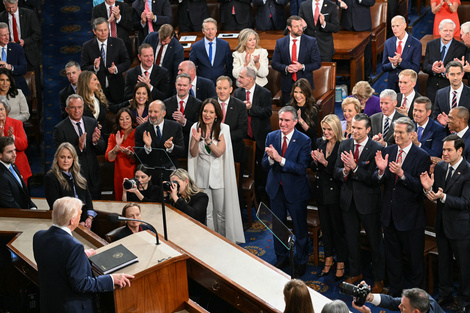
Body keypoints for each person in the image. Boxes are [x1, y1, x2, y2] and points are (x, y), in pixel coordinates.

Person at [33, 197, 134, 313]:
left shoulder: (39, 236)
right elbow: (81, 284)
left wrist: (80, 256)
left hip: (50, 305)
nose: (81, 217)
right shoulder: (74, 246)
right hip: (72, 308)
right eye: (80, 214)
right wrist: (111, 279)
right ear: (72, 220)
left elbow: (54, 260)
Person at [374, 117, 431, 296]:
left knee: (415, 261)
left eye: (400, 132)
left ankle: (416, 297)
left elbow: (421, 187)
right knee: (393, 257)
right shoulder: (388, 150)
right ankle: (395, 292)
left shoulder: (422, 156)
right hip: (389, 216)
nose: (396, 135)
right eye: (395, 131)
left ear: (411, 134)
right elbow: (378, 181)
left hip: (411, 219)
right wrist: (381, 171)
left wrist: (402, 174)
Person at [333, 113, 384, 292]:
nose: (354, 131)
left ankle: (379, 278)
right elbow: (336, 171)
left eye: (358, 128)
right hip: (348, 201)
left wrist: (354, 168)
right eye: (352, 127)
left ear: (368, 129)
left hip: (369, 203)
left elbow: (374, 179)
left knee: (375, 241)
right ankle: (355, 272)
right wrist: (345, 172)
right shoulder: (345, 144)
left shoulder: (377, 148)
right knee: (351, 239)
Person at [420, 135, 470, 313]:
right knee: (444, 263)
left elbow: (465, 202)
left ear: (459, 150)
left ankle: (464, 301)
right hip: (441, 224)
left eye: (449, 150)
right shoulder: (440, 167)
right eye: (443, 150)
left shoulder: (467, 171)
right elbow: (436, 193)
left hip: (461, 228)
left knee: (464, 266)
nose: (445, 153)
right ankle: (445, 294)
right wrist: (429, 190)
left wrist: (443, 197)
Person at [262, 106, 311, 277]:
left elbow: (301, 168)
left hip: (296, 192)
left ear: (295, 122)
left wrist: (279, 159)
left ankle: (301, 260)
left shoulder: (304, 140)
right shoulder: (271, 136)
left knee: (300, 228)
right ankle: (281, 256)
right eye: (281, 119)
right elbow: (263, 165)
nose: (282, 123)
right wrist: (269, 158)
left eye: (287, 120)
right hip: (276, 190)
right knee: (278, 227)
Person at [188, 99, 244, 243]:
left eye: (211, 112)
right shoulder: (195, 126)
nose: (207, 114)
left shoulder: (223, 128)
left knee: (220, 212)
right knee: (206, 212)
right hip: (201, 176)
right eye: (205, 111)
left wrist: (208, 142)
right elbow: (193, 154)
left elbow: (219, 152)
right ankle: (211, 240)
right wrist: (195, 140)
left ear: (216, 115)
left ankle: (223, 240)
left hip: (219, 178)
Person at [311, 114, 347, 280]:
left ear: (336, 128)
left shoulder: (343, 145)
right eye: (324, 129)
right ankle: (328, 259)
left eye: (329, 129)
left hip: (336, 194)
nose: (326, 132)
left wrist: (325, 163)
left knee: (337, 230)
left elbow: (339, 172)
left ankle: (341, 262)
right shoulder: (320, 142)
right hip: (321, 192)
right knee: (325, 229)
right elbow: (312, 167)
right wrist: (316, 162)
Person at [53, 94, 106, 200]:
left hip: (93, 177)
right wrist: (79, 148)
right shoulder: (60, 129)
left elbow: (102, 147)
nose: (77, 110)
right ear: (67, 109)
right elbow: (61, 156)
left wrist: (96, 142)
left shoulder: (92, 122)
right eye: (73, 107)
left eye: (79, 107)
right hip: (74, 177)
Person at [272, 15, 321, 105]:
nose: (300, 29)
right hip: (287, 87)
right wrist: (286, 68)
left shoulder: (311, 41)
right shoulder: (280, 43)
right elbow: (274, 63)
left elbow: (317, 63)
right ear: (289, 28)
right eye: (296, 26)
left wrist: (302, 66)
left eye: (301, 25)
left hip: (305, 86)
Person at [45, 142, 96, 228]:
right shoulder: (51, 177)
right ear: (57, 158)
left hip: (83, 219)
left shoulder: (79, 172)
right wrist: (75, 222)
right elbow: (56, 205)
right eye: (62, 157)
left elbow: (87, 195)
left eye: (69, 157)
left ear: (73, 159)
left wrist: (90, 217)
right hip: (64, 223)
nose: (66, 161)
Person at [81, 17, 131, 104]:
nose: (104, 33)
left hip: (117, 89)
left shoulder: (118, 43)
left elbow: (127, 62)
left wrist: (116, 69)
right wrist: (95, 68)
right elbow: (84, 68)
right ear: (94, 31)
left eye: (105, 30)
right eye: (100, 30)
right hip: (97, 91)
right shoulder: (87, 46)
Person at [423, 19, 466, 103]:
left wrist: (445, 70)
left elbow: (462, 72)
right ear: (439, 31)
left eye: (451, 30)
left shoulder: (461, 48)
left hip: (449, 88)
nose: (448, 33)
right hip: (431, 88)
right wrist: (433, 68)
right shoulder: (431, 44)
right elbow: (425, 66)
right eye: (445, 30)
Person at [134, 100, 185, 171]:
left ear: (163, 113)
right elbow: (137, 156)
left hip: (170, 171)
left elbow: (182, 151)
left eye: (155, 112)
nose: (152, 115)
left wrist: (171, 147)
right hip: (150, 173)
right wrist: (147, 147)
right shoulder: (141, 129)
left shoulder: (175, 127)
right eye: (150, 111)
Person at [233, 66, 272, 160]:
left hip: (259, 135)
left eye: (241, 77)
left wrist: (251, 108)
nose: (238, 80)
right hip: (243, 136)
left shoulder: (265, 93)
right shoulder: (237, 93)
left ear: (250, 79)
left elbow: (268, 112)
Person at [164, 73, 202, 153]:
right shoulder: (166, 103)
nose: (181, 88)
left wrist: (184, 122)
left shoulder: (198, 104)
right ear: (175, 85)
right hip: (171, 147)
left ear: (190, 86)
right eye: (179, 85)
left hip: (190, 146)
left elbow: (199, 127)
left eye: (184, 85)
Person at [382, 16, 422, 92]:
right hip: (392, 86)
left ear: (405, 25)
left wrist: (400, 61)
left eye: (397, 26)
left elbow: (415, 69)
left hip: (409, 87)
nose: (394, 29)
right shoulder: (388, 43)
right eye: (393, 26)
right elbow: (384, 66)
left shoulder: (416, 44)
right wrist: (393, 65)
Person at [105, 107, 137, 201]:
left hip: (136, 174)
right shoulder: (114, 135)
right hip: (120, 175)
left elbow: (140, 157)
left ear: (132, 119)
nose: (125, 121)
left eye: (127, 118)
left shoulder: (138, 133)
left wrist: (129, 153)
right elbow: (109, 158)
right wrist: (117, 147)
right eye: (121, 119)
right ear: (118, 121)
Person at [189, 18, 233, 84]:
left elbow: (229, 66)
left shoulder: (224, 45)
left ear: (216, 30)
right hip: (203, 83)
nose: (210, 32)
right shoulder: (196, 47)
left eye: (212, 29)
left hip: (221, 83)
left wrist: (228, 82)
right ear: (203, 31)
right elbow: (191, 67)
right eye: (207, 29)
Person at [142, 24, 184, 92]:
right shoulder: (151, 37)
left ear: (172, 37)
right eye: (161, 39)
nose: (162, 43)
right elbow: (141, 51)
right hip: (148, 74)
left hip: (165, 81)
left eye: (165, 41)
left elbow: (176, 72)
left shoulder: (178, 49)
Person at [0, 0, 41, 70]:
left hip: (28, 53)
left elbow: (37, 34)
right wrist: (8, 42)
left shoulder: (29, 14)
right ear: (4, 5)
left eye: (13, 7)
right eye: (8, 8)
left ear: (17, 3)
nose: (11, 10)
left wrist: (25, 41)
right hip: (10, 54)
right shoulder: (1, 17)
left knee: (32, 78)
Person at [215, 76, 248, 164]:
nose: (222, 91)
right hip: (212, 149)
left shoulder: (240, 106)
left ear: (231, 89)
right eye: (219, 88)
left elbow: (242, 131)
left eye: (225, 88)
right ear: (216, 89)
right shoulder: (209, 103)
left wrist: (222, 138)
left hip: (233, 149)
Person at [338, 0, 374, 79]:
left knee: (366, 53)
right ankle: (347, 75)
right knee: (347, 51)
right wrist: (339, 3)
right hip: (347, 23)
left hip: (363, 24)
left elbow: (371, 2)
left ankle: (365, 76)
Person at [0, 134, 36, 209]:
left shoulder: (12, 166)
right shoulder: (1, 175)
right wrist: (27, 215)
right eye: (10, 152)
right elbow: (9, 203)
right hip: (15, 217)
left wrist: (33, 207)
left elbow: (23, 193)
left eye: (15, 150)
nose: (14, 154)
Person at [0, 98, 30, 183]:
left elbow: (24, 145)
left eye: (1, 109)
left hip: (18, 167)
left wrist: (12, 137)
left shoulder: (17, 123)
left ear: (6, 110)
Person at [352, 286, 445, 313]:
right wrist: (370, 297)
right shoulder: (424, 299)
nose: (399, 306)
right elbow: (392, 302)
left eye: (403, 307)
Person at [433, 61, 470, 125]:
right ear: (447, 75)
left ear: (462, 74)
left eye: (458, 74)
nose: (455, 78)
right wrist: (445, 125)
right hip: (445, 133)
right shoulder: (440, 94)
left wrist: (458, 128)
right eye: (452, 74)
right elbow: (435, 118)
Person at [288, 78, 319, 149]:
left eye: (301, 92)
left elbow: (312, 134)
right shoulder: (289, 107)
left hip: (308, 144)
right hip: (293, 143)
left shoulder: (313, 109)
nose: (298, 95)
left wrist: (300, 120)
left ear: (307, 93)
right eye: (295, 92)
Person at [0, 22, 28, 97]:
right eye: (3, 35)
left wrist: (10, 67)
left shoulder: (17, 48)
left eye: (8, 34)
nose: (7, 37)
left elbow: (24, 68)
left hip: (16, 87)